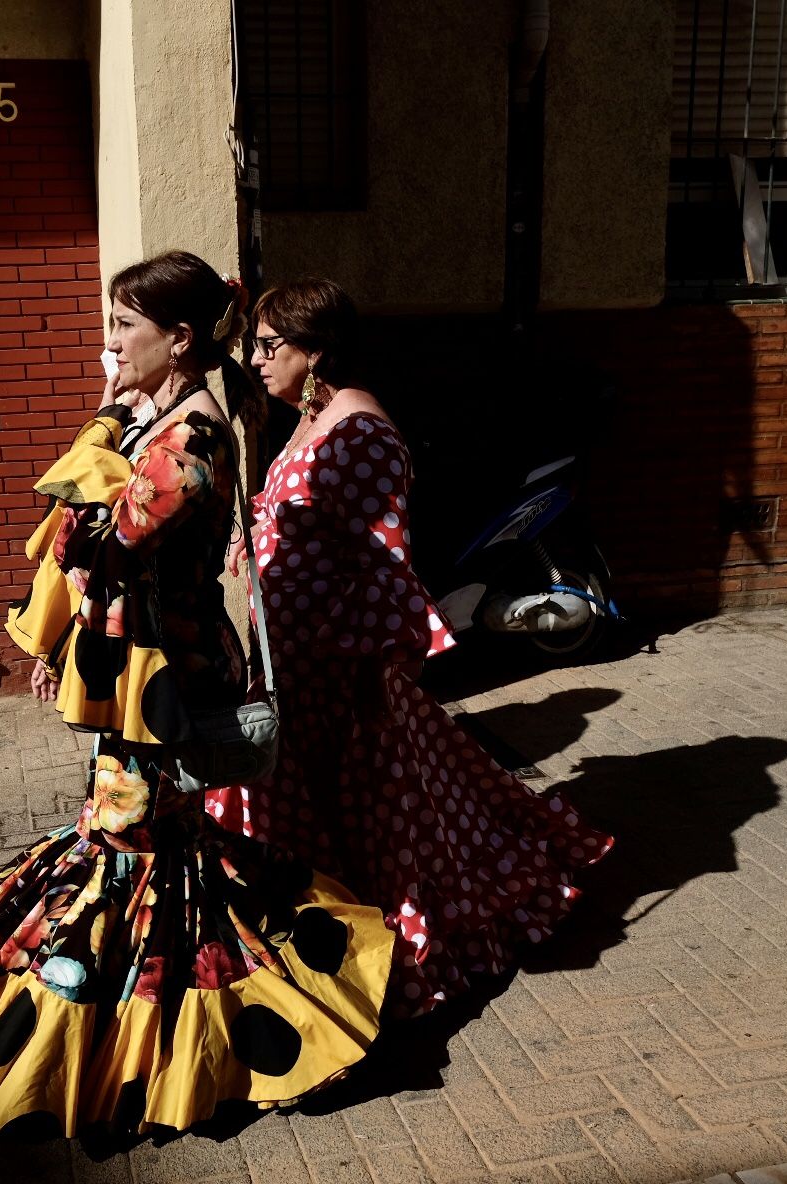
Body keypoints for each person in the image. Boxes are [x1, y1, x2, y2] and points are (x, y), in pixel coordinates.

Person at [0, 253, 394, 1138]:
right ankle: (168, 1032)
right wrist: (60, 633)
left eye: (121, 329)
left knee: (133, 846)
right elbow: (86, 534)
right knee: (151, 845)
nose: (107, 347)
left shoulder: (196, 438)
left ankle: (159, 1041)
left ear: (179, 341)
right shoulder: (160, 421)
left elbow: (99, 550)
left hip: (167, 686)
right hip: (142, 681)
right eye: (109, 326)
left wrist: (102, 440)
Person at [207, 279, 613, 1017]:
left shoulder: (359, 432)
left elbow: (383, 562)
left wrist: (373, 669)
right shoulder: (308, 416)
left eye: (271, 346)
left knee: (375, 814)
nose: (257, 359)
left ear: (316, 349)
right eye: (255, 345)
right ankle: (330, 929)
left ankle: (387, 940)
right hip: (295, 665)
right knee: (340, 809)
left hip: (340, 671)